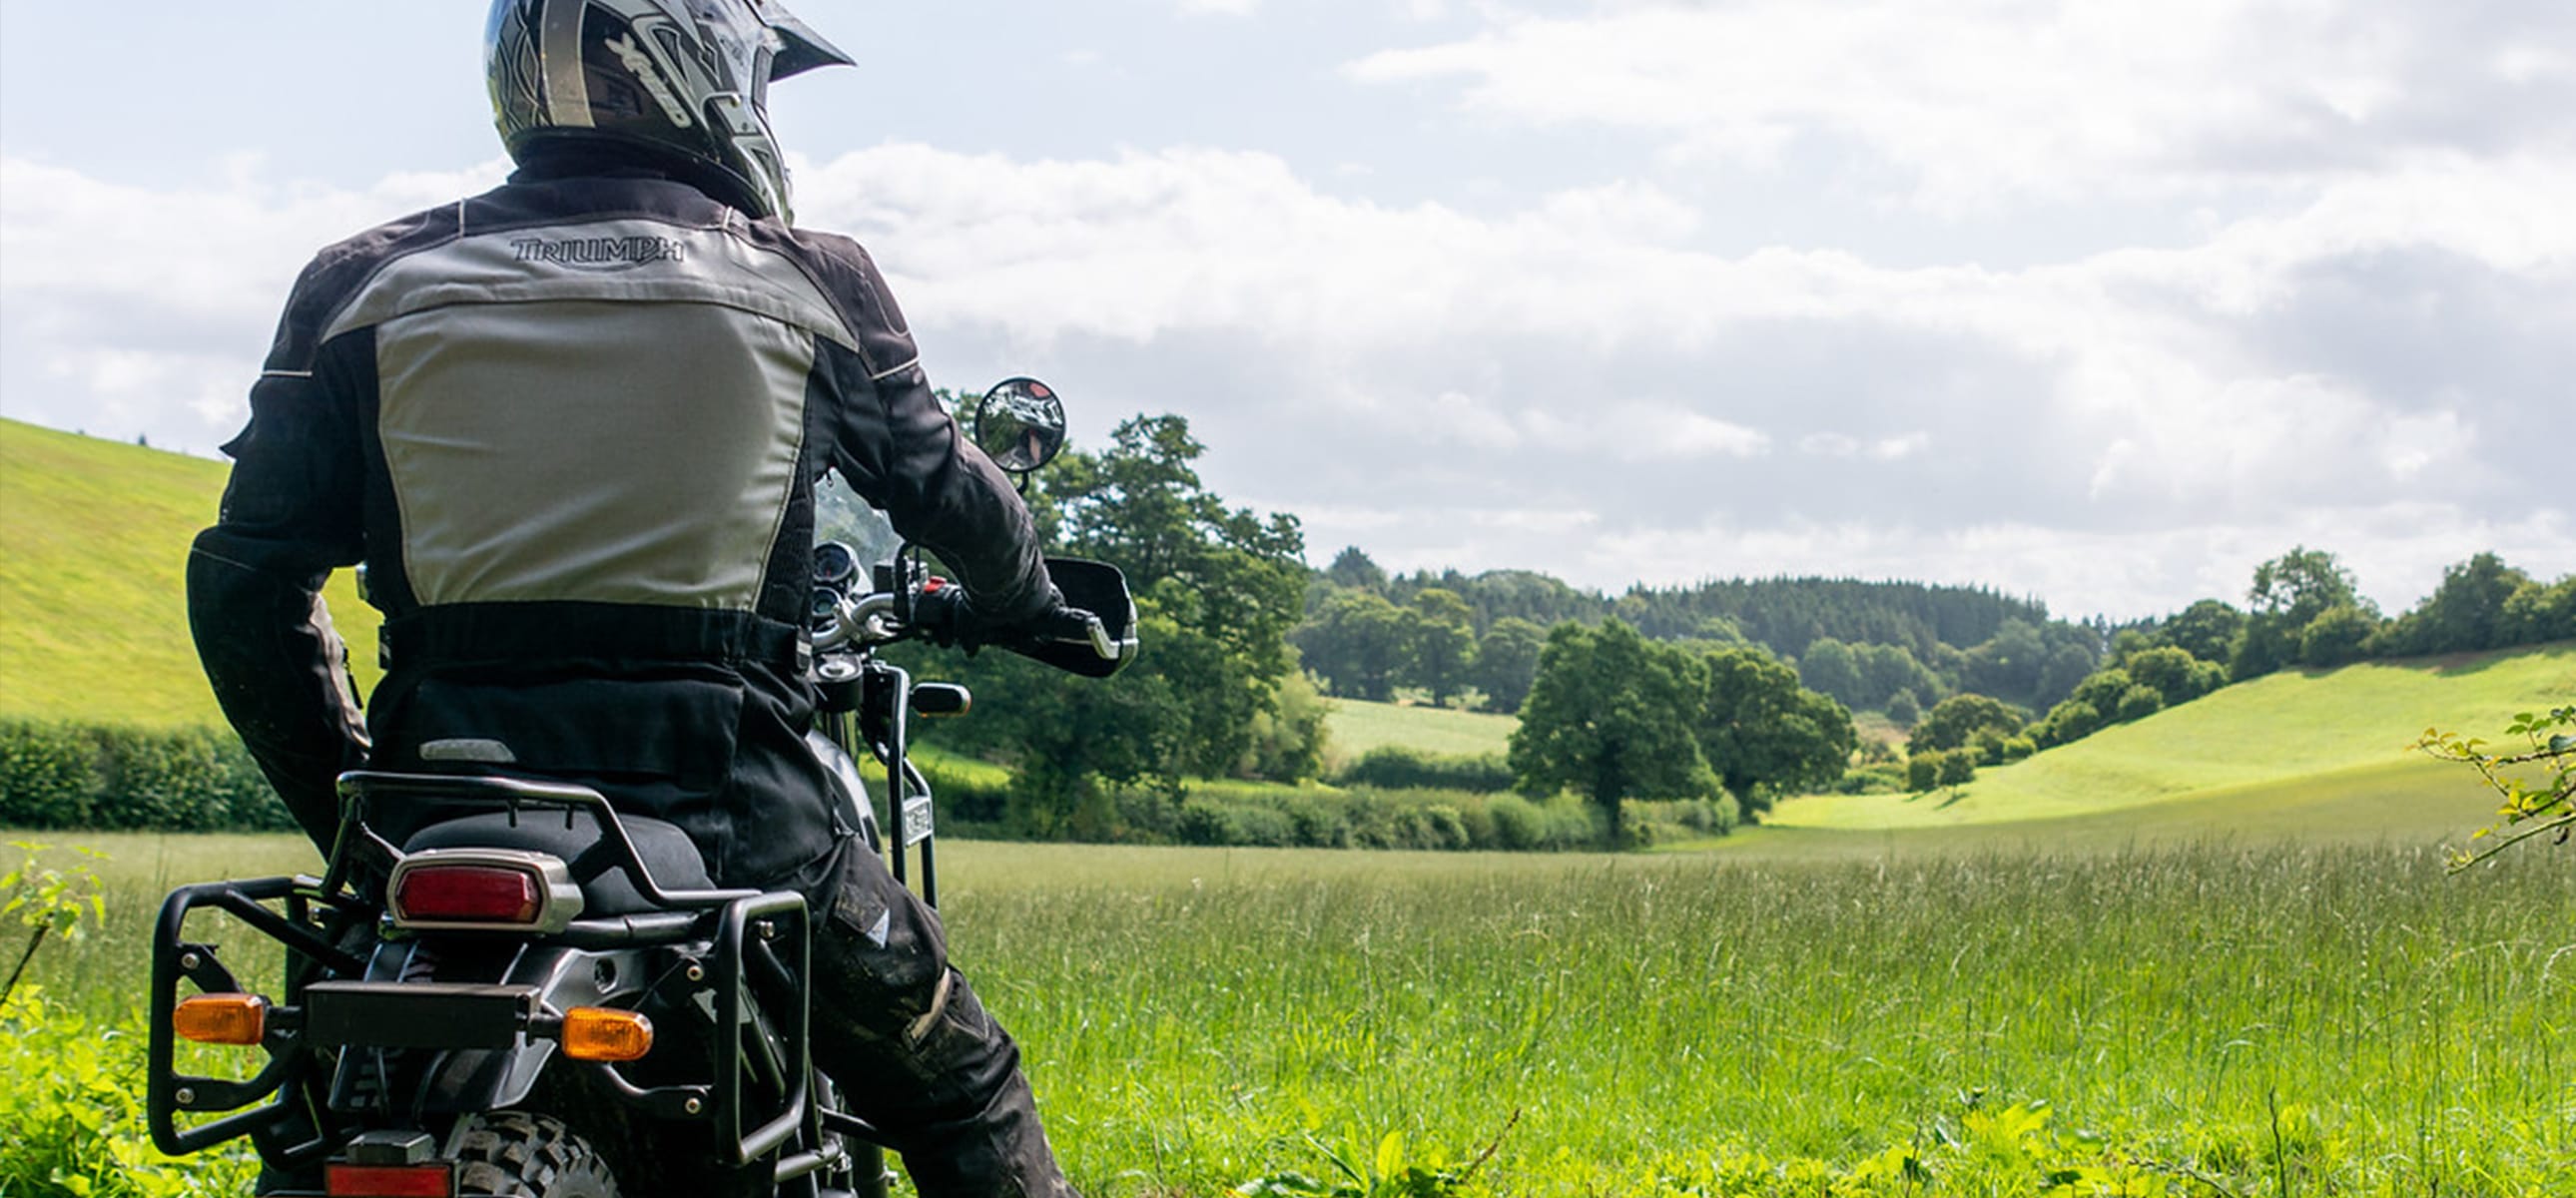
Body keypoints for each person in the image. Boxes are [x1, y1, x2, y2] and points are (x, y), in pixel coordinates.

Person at [187, 1, 1089, 1193]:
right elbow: (955, 499)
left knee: (318, 1120)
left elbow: (247, 586)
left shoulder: (364, 282)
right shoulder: (806, 280)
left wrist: (357, 813)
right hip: (739, 811)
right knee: (959, 1084)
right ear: (707, 70)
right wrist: (1033, 603)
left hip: (436, 805)